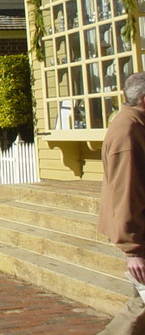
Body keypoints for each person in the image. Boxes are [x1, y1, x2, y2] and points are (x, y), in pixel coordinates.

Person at [97, 72, 145, 334]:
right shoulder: (128, 133)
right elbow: (126, 193)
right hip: (140, 235)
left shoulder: (135, 124)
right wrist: (133, 250)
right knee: (140, 308)